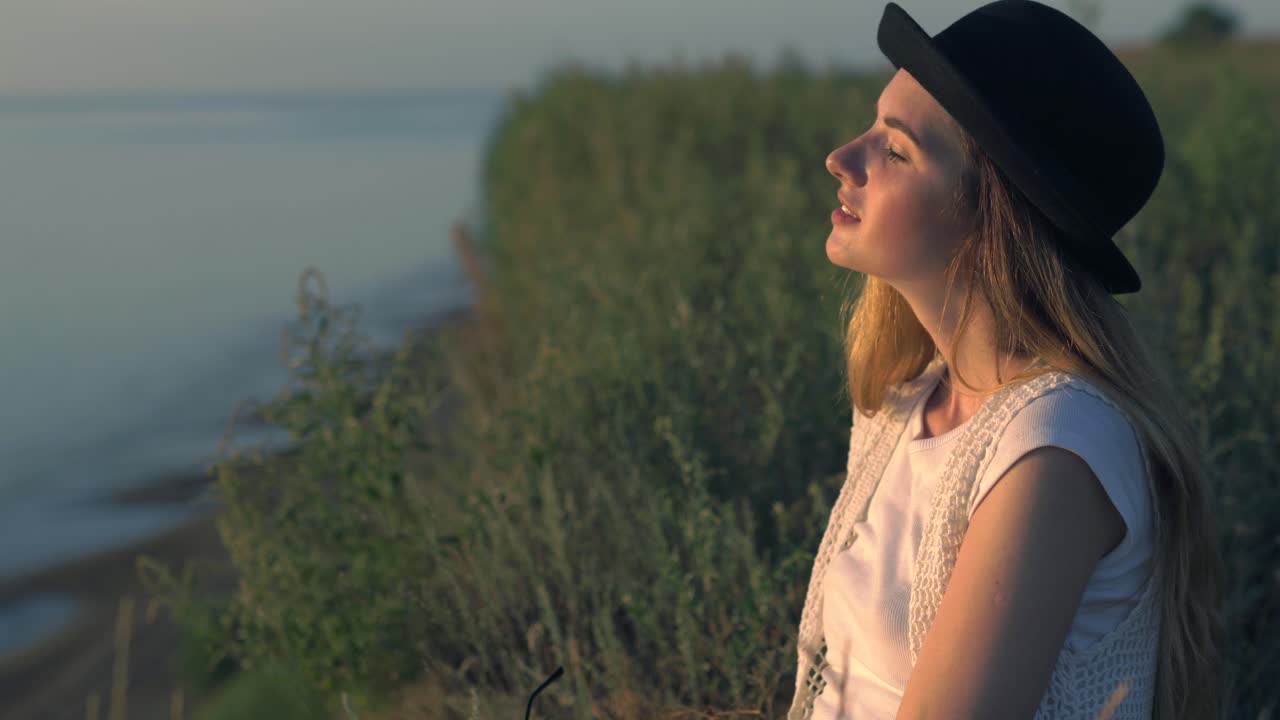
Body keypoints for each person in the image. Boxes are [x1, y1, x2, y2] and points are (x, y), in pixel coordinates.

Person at [790, 2, 1230, 719]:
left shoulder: (1056, 446)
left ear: (989, 217)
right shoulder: (911, 402)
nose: (842, 158)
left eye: (896, 150)